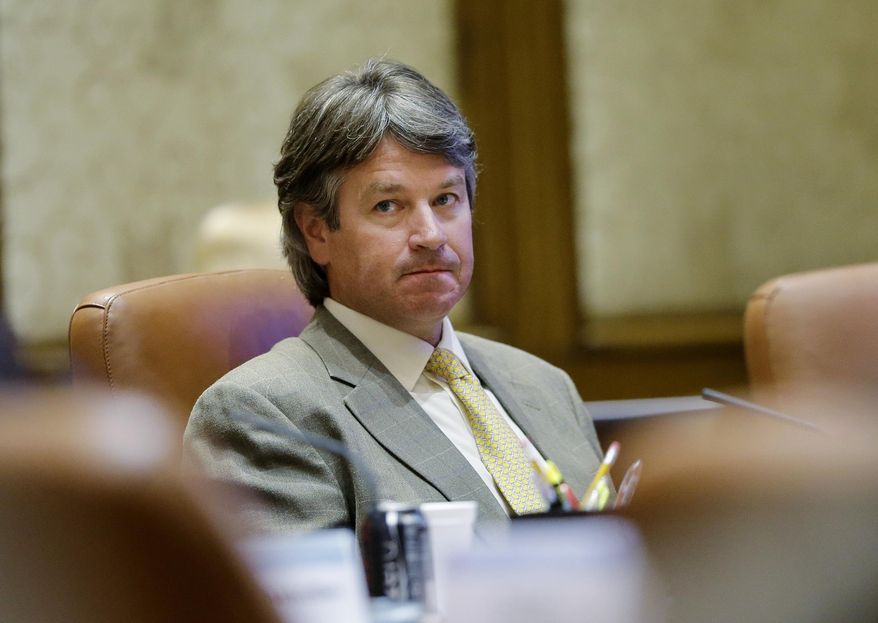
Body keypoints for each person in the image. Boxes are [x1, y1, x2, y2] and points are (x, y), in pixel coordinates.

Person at [184, 59, 604, 540]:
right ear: (316, 230)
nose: (430, 234)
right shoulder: (265, 415)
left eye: (446, 199)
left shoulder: (545, 387)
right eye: (389, 206)